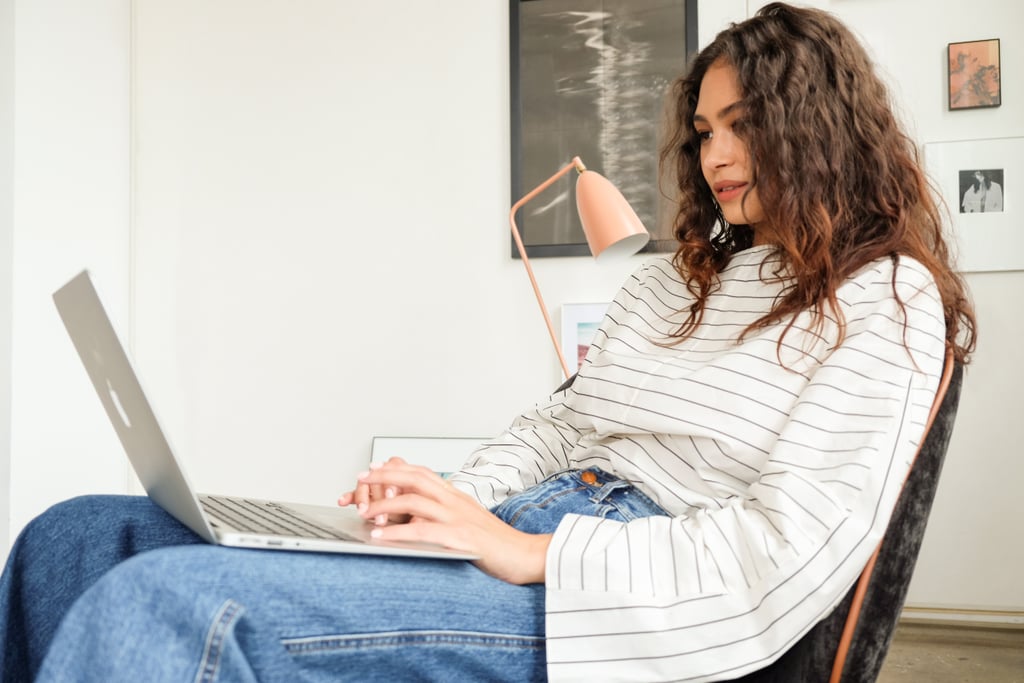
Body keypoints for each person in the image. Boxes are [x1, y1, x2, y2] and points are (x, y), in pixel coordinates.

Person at [0, 3, 976, 682]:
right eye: (702, 129)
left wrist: (527, 548)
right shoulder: (677, 282)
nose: (715, 154)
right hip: (528, 527)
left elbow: (779, 558)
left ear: (818, 126)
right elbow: (559, 428)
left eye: (743, 125)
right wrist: (448, 501)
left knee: (164, 607)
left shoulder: (885, 300)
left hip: (607, 598)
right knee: (75, 536)